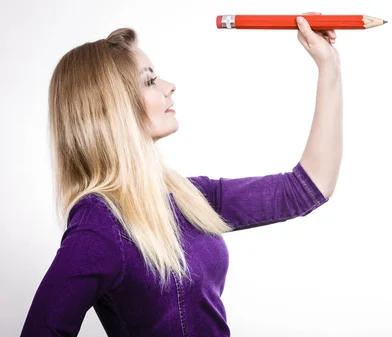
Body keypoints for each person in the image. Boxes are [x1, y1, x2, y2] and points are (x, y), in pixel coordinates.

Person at [20, 12, 342, 337]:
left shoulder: (187, 197)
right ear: (112, 107)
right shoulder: (100, 226)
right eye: (149, 80)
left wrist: (329, 67)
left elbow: (307, 189)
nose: (169, 86)